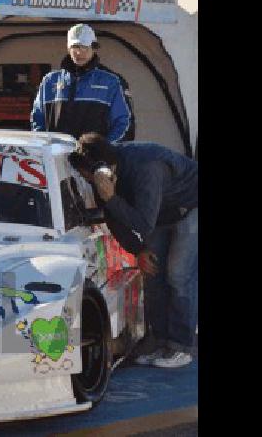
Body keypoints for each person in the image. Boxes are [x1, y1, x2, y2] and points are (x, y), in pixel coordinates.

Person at [68, 132, 198, 368]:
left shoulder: (146, 167)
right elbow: (114, 219)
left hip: (191, 206)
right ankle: (158, 340)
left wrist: (111, 198)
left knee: (178, 274)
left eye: (88, 176)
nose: (88, 181)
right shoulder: (101, 174)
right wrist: (138, 250)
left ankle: (182, 346)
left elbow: (142, 223)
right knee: (152, 271)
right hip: (161, 212)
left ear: (101, 167)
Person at [30, 24, 132, 142]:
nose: (79, 52)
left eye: (85, 47)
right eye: (76, 47)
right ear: (68, 48)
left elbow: (122, 121)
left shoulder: (109, 82)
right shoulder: (50, 80)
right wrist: (45, 146)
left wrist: (104, 148)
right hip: (56, 155)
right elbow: (38, 118)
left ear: (94, 49)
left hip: (93, 157)